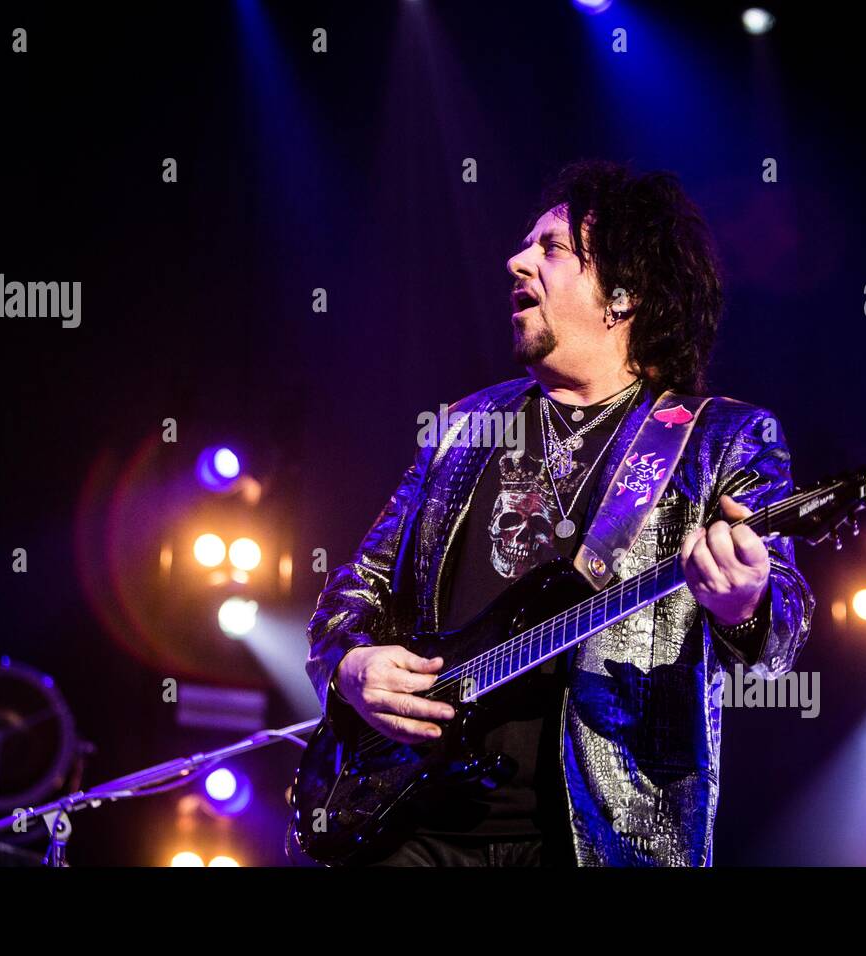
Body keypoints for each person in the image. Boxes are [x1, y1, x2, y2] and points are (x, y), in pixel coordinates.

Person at [304, 159, 815, 866]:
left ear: (624, 294)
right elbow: (353, 590)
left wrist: (747, 602)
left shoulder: (715, 438)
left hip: (596, 838)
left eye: (551, 248)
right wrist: (351, 666)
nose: (516, 261)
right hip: (412, 825)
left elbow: (783, 627)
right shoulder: (468, 425)